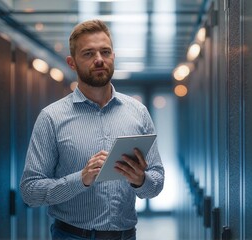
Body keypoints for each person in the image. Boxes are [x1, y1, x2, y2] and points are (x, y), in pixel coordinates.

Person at [20, 19, 165, 240]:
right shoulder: (51, 117)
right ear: (72, 63)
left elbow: (156, 182)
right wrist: (81, 179)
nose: (99, 60)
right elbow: (30, 191)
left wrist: (140, 180)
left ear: (113, 57)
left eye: (105, 52)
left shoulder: (138, 112)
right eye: (88, 54)